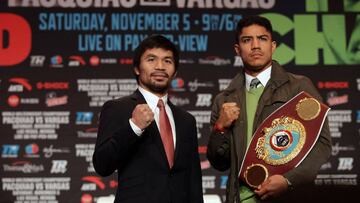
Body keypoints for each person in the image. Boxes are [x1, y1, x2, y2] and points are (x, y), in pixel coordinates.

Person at [207, 16, 331, 203]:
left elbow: (321, 145)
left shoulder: (299, 87)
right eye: (247, 40)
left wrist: (288, 180)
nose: (255, 46)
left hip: (287, 197)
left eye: (262, 39)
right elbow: (219, 163)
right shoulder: (223, 100)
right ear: (237, 49)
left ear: (273, 46)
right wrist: (220, 129)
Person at [93, 35, 203, 203]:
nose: (160, 66)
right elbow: (102, 164)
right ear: (137, 68)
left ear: (175, 71)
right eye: (151, 59)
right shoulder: (118, 108)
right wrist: (134, 127)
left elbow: (193, 180)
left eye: (167, 61)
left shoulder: (186, 120)